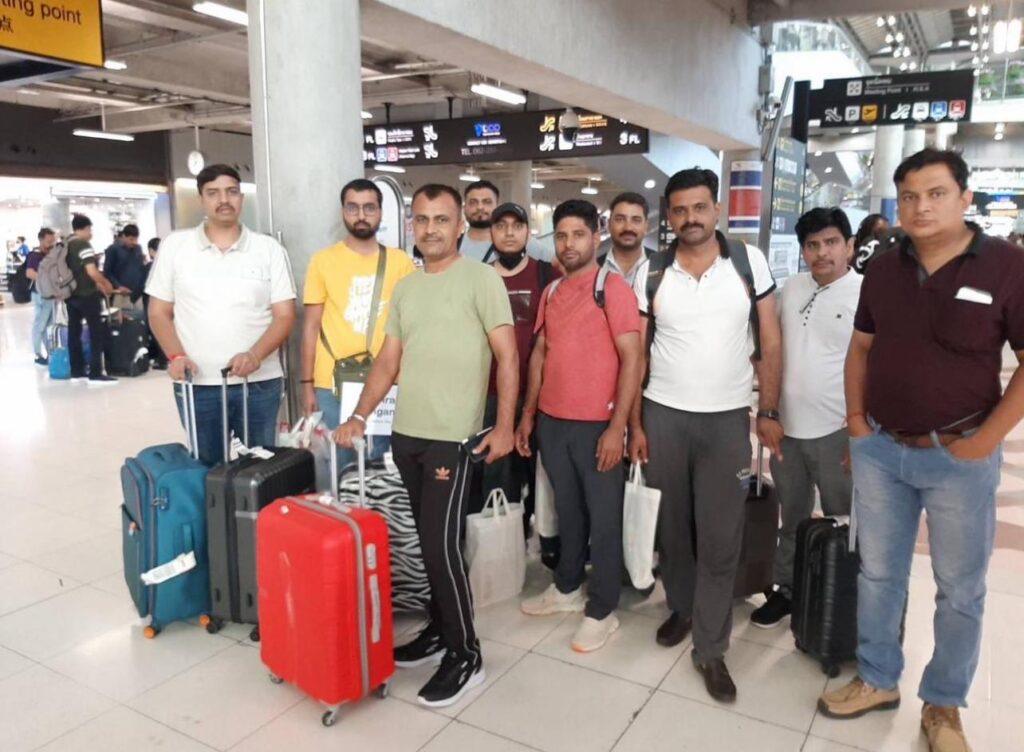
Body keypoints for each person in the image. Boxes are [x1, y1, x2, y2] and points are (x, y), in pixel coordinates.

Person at [818, 148, 1024, 752]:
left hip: (959, 456)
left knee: (959, 589)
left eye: (936, 193)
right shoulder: (883, 267)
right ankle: (878, 678)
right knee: (879, 574)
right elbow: (860, 349)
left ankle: (943, 705)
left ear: (965, 198)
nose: (920, 207)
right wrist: (857, 424)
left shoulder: (1007, 266)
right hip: (882, 449)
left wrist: (986, 440)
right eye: (909, 196)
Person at [333, 183, 517, 708]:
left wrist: (503, 426)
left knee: (439, 548)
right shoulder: (407, 288)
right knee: (431, 541)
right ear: (411, 226)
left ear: (460, 226)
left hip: (452, 439)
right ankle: (439, 629)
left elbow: (508, 357)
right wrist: (360, 415)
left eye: (441, 219)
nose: (431, 228)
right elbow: (388, 361)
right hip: (407, 434)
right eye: (422, 219)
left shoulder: (482, 279)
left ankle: (466, 654)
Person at [628, 168, 781, 703]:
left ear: (716, 209)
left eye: (699, 207)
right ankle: (682, 607)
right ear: (668, 217)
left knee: (720, 534)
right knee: (672, 528)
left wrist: (769, 409)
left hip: (726, 421)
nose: (690, 218)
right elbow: (637, 355)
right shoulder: (652, 272)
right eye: (679, 210)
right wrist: (634, 423)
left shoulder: (748, 262)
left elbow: (770, 340)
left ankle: (711, 648)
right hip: (663, 416)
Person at [517, 199, 642, 652]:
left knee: (604, 519)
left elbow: (633, 359)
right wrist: (529, 414)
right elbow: (541, 353)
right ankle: (567, 587)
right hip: (553, 423)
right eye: (562, 236)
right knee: (567, 511)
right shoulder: (553, 291)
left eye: (578, 235)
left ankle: (602, 609)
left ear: (596, 237)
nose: (569, 244)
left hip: (596, 426)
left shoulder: (613, 289)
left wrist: (617, 427)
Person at [749, 207, 861, 628]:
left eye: (831, 242)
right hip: (788, 430)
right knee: (792, 515)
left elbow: (877, 365)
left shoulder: (866, 294)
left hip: (838, 431)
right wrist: (768, 410)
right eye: (812, 245)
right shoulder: (792, 288)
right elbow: (767, 348)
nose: (821, 253)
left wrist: (861, 430)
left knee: (843, 518)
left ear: (850, 246)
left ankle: (840, 600)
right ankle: (788, 590)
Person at [146, 164, 296, 466]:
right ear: (201, 199)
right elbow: (158, 312)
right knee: (206, 470)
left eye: (231, 192)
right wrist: (176, 356)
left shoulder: (268, 249)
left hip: (259, 384)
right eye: (213, 193)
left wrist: (255, 355)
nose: (224, 200)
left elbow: (285, 315)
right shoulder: (176, 246)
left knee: (260, 470)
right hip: (197, 384)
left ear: (241, 197)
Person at [300, 178, 415, 464]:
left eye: (369, 208)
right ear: (343, 211)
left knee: (382, 466)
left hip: (387, 381)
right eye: (353, 208)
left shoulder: (400, 262)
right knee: (339, 468)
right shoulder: (322, 261)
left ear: (380, 212)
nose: (361, 215)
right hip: (332, 383)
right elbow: (311, 326)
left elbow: (411, 327)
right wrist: (307, 384)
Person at [474, 202, 558, 524]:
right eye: (501, 226)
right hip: (490, 395)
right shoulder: (478, 277)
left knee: (540, 476)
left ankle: (541, 537)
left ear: (527, 232)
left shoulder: (546, 274)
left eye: (517, 226)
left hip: (539, 395)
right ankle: (501, 540)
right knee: (495, 477)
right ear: (491, 233)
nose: (509, 233)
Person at [65, 214, 121, 385]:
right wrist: (106, 283)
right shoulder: (83, 244)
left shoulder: (66, 244)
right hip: (87, 295)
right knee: (96, 332)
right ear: (84, 228)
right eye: (90, 229)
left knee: (74, 332)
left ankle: (76, 371)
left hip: (70, 295)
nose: (91, 233)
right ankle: (96, 372)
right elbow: (91, 271)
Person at [460, 180, 552, 262]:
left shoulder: (521, 242)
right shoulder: (454, 244)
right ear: (464, 208)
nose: (480, 207)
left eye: (487, 202)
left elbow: (556, 264)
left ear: (497, 207)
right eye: (473, 202)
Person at [598, 191, 655, 287]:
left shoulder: (663, 268)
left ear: (646, 226)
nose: (628, 227)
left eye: (636, 220)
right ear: (609, 225)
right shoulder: (594, 269)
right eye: (620, 219)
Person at [25, 227, 56, 366]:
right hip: (40, 295)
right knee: (40, 325)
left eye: (52, 241)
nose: (51, 244)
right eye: (48, 241)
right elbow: (29, 273)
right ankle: (38, 354)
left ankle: (49, 353)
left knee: (48, 325)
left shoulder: (50, 255)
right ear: (41, 240)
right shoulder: (35, 255)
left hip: (50, 295)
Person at [103, 223, 148, 308]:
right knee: (124, 315)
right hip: (121, 294)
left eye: (136, 239)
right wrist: (119, 286)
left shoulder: (138, 248)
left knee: (140, 315)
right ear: (124, 236)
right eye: (131, 239)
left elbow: (140, 268)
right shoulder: (113, 249)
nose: (134, 242)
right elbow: (107, 272)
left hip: (137, 293)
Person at [143, 237, 167, 370]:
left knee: (155, 328)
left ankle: (161, 360)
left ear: (151, 251)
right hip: (171, 303)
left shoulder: (150, 267)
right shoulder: (170, 265)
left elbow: (142, 284)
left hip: (153, 301)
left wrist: (132, 297)